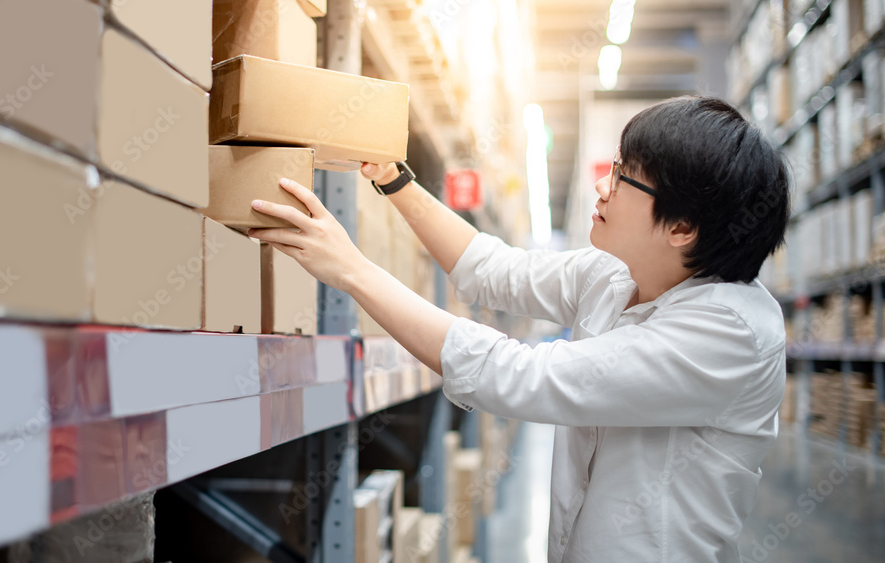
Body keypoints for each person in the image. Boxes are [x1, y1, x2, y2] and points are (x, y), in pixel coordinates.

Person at [247, 96, 790, 562]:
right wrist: (393, 179)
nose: (603, 186)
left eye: (622, 177)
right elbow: (493, 271)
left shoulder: (730, 333)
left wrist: (352, 270)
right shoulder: (617, 274)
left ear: (681, 227)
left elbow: (518, 374)